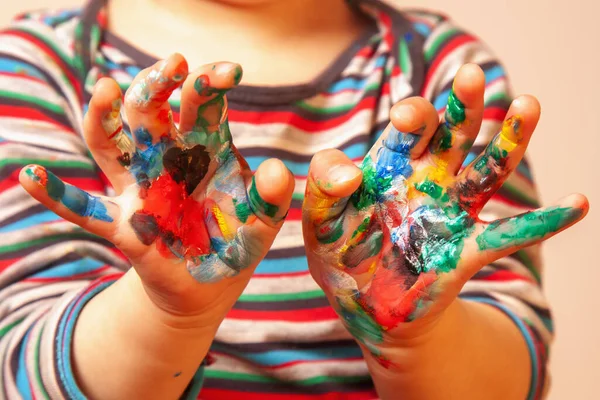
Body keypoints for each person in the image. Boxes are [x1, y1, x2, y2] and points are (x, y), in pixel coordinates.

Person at [0, 0, 589, 399]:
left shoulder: (441, 76)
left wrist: (415, 336)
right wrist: (172, 313)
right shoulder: (35, 69)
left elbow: (513, 375)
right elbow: (23, 374)